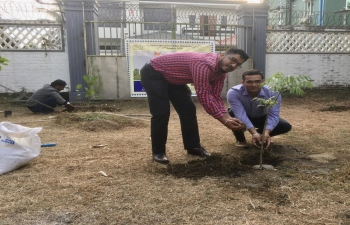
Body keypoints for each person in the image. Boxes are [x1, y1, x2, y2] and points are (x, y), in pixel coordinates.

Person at [140, 48, 250, 164]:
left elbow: (215, 96)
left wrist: (228, 118)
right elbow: (204, 96)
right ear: (222, 55)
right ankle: (158, 152)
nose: (233, 65)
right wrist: (224, 122)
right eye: (232, 60)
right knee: (161, 112)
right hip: (154, 72)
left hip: (174, 78)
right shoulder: (202, 64)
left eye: (238, 64)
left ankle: (193, 147)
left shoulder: (221, 73)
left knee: (188, 110)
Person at [226, 69, 292, 149]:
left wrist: (266, 132)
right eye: (249, 82)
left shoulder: (273, 92)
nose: (254, 85)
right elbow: (240, 114)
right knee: (231, 113)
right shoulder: (234, 92)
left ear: (263, 81)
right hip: (244, 117)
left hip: (263, 117)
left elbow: (274, 115)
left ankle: (261, 136)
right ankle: (240, 139)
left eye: (257, 81)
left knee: (285, 126)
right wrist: (253, 132)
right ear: (243, 82)